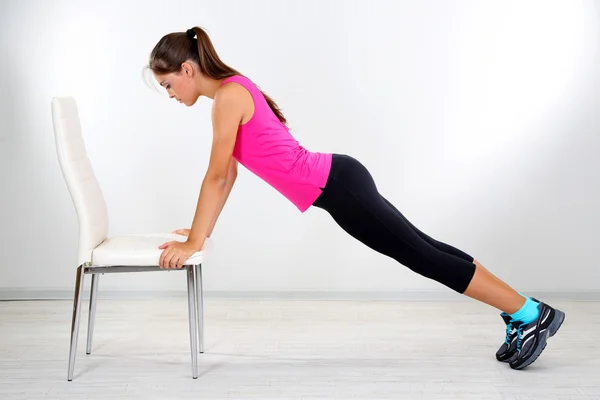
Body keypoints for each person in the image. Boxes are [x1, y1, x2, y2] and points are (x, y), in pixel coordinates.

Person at [147, 26, 564, 370]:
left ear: (187, 69)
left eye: (168, 84)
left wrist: (194, 242)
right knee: (427, 249)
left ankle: (531, 313)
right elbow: (229, 175)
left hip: (339, 186)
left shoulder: (227, 97)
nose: (169, 94)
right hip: (339, 182)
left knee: (423, 256)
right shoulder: (229, 94)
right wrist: (198, 234)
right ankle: (519, 312)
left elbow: (217, 175)